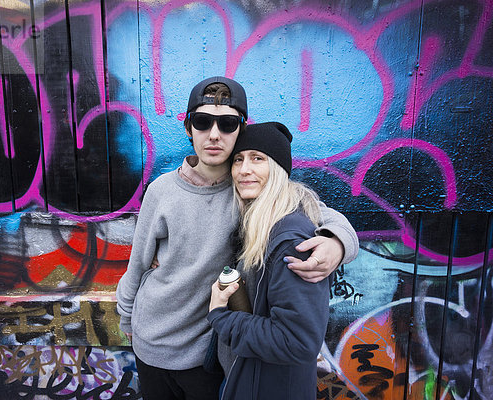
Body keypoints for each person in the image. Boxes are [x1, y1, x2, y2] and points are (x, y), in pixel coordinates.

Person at [116, 77, 358, 400]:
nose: (214, 134)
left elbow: (313, 209)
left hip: (207, 353)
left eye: (227, 124)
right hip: (151, 344)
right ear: (189, 129)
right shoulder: (162, 191)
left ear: (239, 130)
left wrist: (337, 241)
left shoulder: (249, 189)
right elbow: (138, 265)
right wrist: (126, 318)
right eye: (202, 122)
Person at [208, 121, 335, 399]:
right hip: (251, 380)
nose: (244, 170)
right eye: (238, 159)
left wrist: (221, 316)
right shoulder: (259, 225)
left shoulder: (289, 240)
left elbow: (296, 341)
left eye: (258, 159)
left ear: (278, 170)